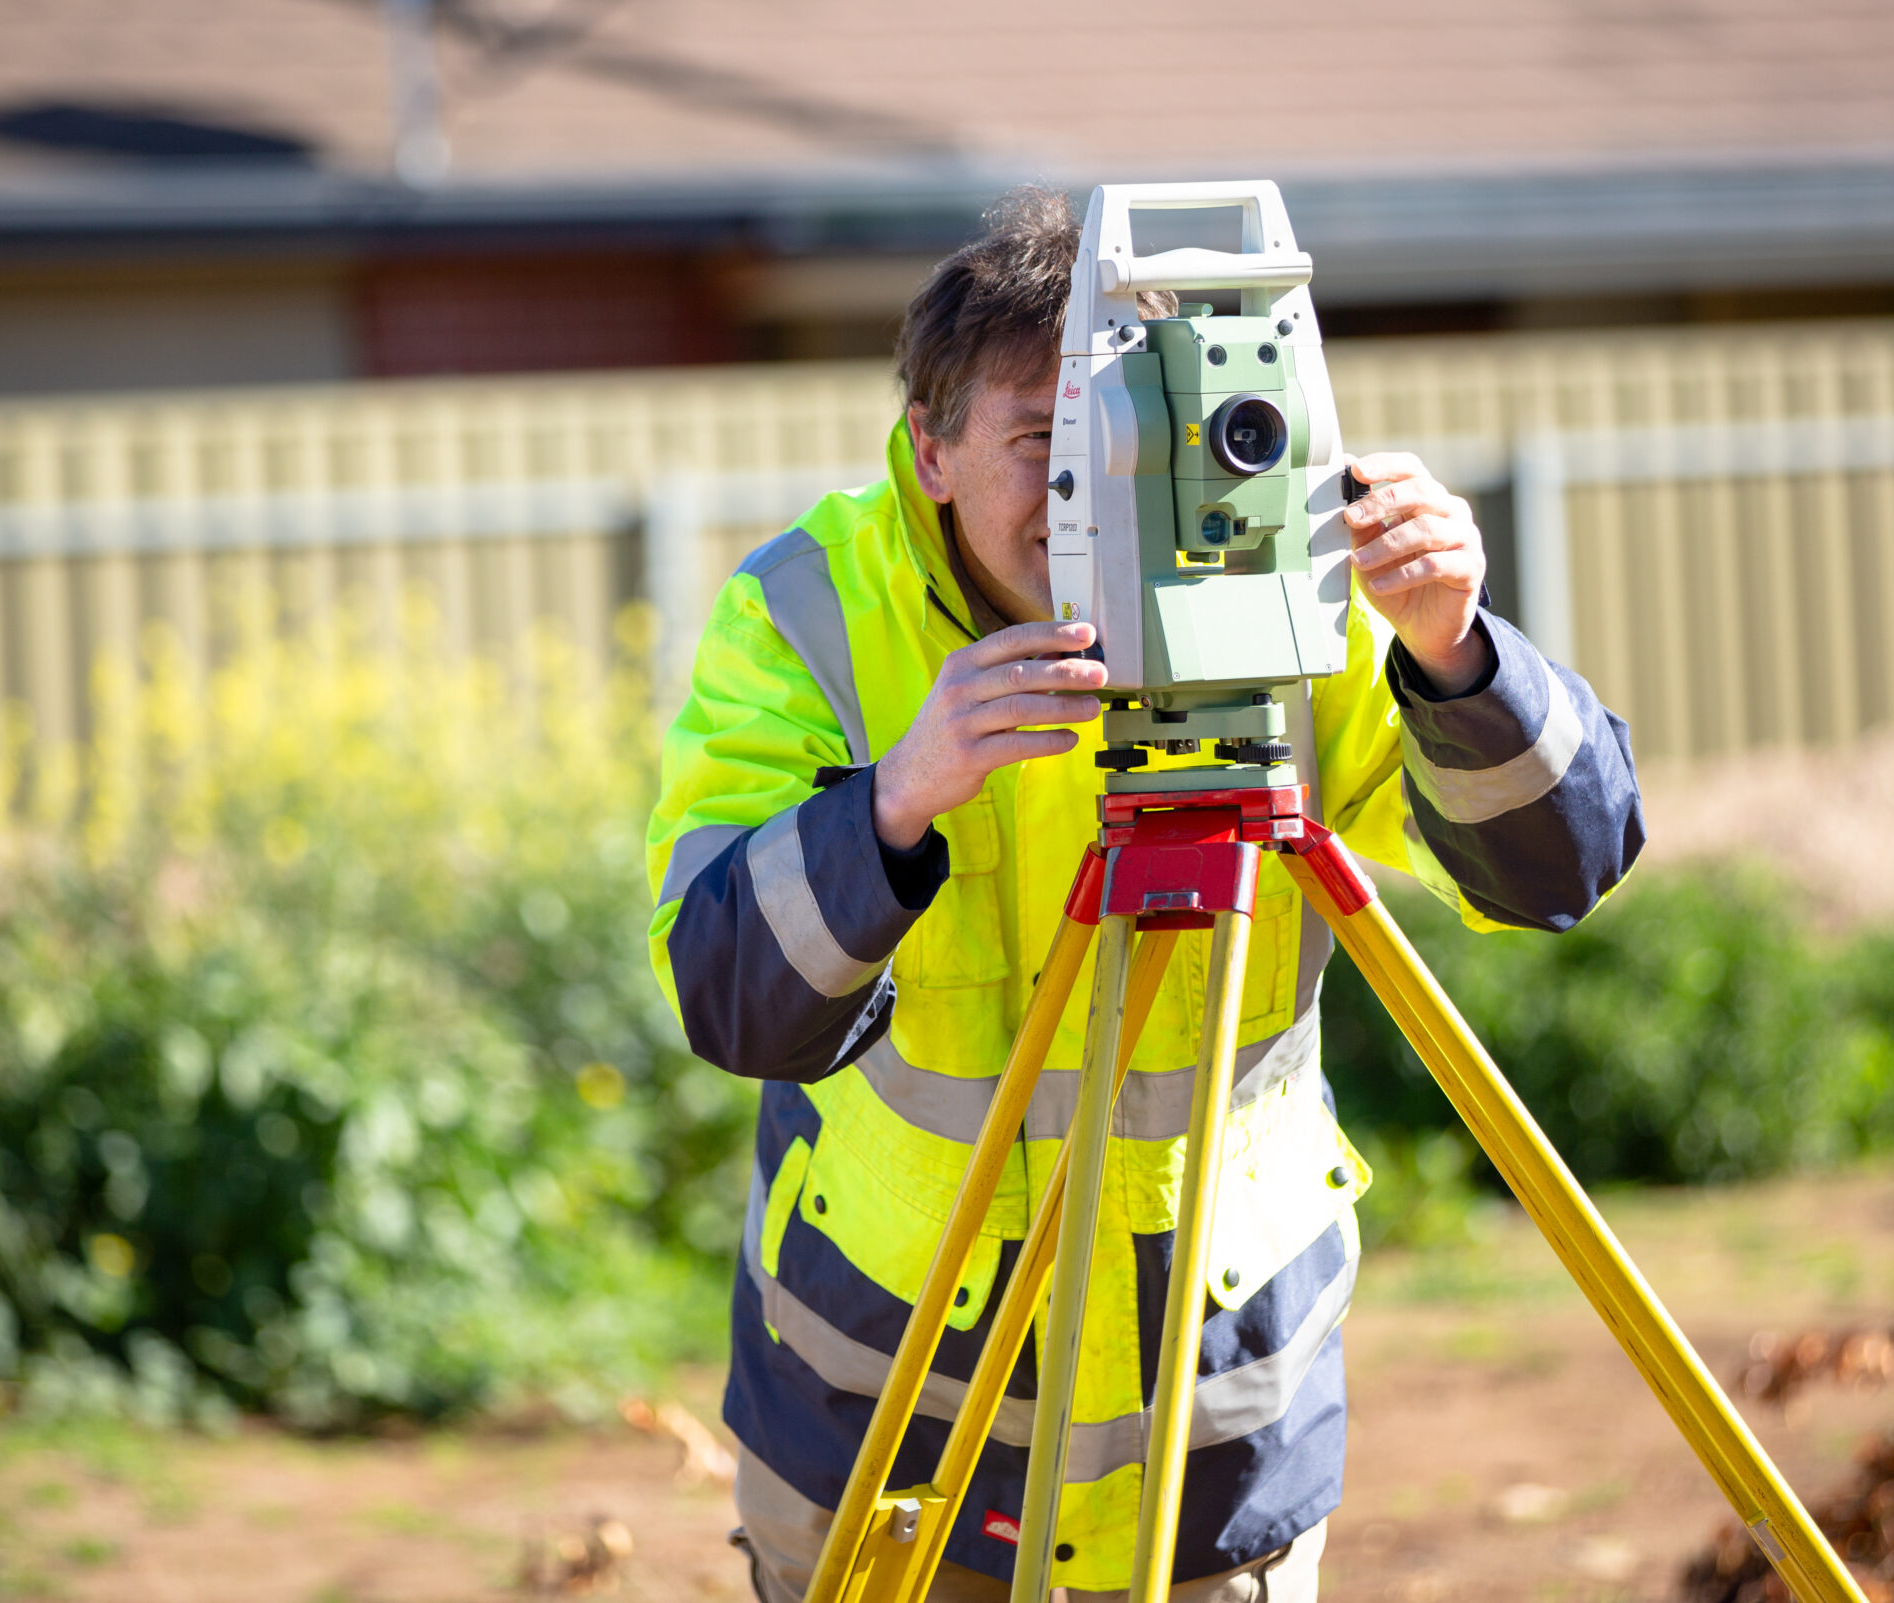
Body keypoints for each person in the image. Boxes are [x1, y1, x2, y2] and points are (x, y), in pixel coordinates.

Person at [647, 186, 1644, 1603]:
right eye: (1043, 441)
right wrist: (891, 802)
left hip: (1216, 1437)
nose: (1088, 490)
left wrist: (1453, 655)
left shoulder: (1297, 600)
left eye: (1121, 435)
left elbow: (1564, 870)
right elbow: (727, 991)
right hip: (893, 1431)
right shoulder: (812, 614)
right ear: (928, 448)